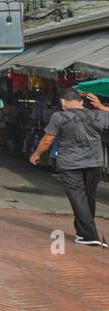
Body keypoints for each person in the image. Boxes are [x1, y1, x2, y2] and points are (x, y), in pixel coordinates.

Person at [29, 88, 107, 248]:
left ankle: (89, 235)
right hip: (95, 163)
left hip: (71, 164)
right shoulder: (97, 115)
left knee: (78, 198)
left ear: (63, 102)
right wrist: (100, 106)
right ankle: (83, 233)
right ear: (81, 102)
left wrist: (36, 154)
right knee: (87, 197)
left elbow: (47, 139)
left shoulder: (59, 116)